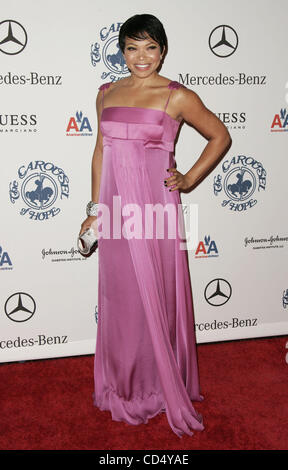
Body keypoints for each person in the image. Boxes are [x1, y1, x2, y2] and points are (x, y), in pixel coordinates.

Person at [80, 13, 231, 438]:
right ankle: (122, 385)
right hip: (114, 206)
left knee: (157, 294)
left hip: (154, 208)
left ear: (162, 50)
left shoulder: (177, 96)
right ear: (122, 51)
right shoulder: (106, 93)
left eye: (150, 47)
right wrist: (95, 209)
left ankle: (154, 387)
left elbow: (220, 136)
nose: (141, 57)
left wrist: (188, 179)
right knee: (123, 298)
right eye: (132, 47)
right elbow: (99, 153)